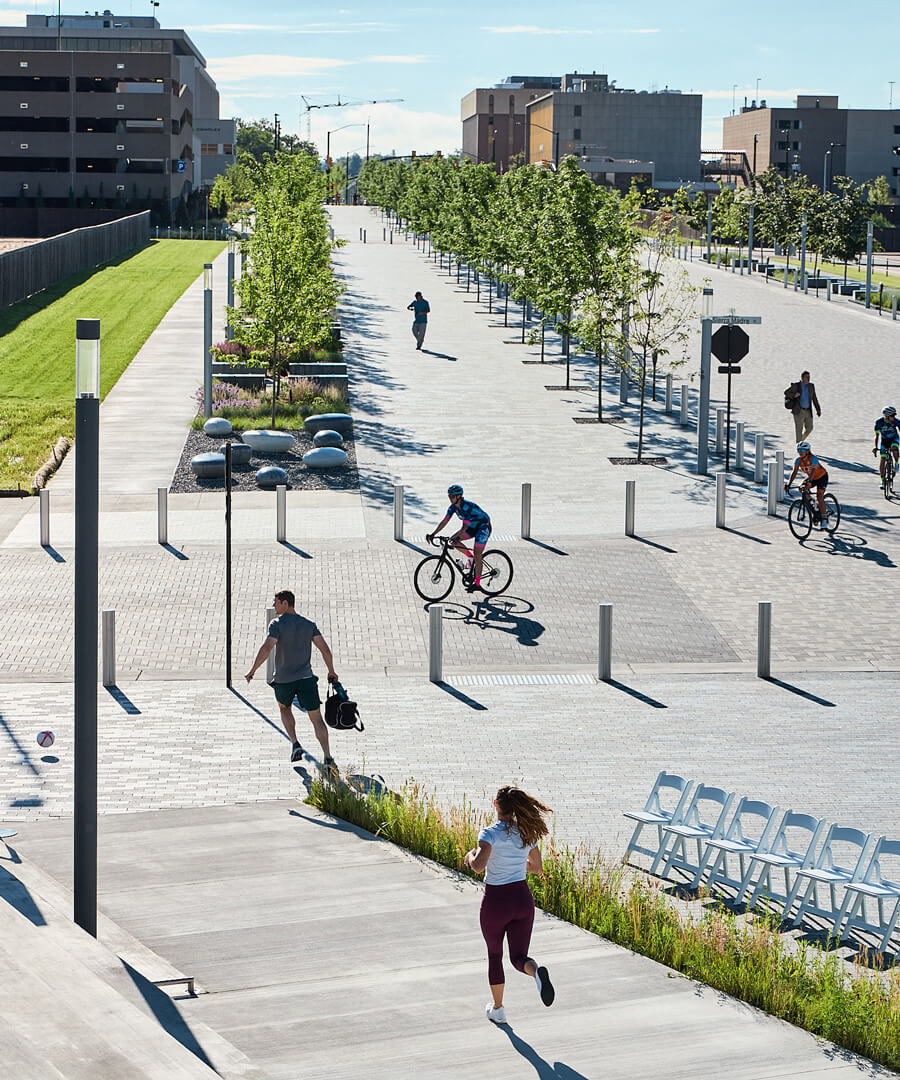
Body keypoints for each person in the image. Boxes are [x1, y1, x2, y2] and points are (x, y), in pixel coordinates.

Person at [464, 785, 555, 1025]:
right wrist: (516, 864)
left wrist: (470, 855)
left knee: (495, 956)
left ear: (496, 806)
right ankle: (537, 974)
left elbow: (478, 866)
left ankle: (498, 1009)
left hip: (496, 902)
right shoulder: (526, 833)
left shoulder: (489, 834)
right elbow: (537, 868)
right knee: (519, 957)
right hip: (522, 901)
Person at [245, 590, 339, 770]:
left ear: (285, 603)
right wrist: (331, 671)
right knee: (317, 718)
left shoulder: (277, 624)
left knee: (284, 709)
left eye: (276, 602)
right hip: (306, 678)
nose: (274, 605)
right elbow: (325, 649)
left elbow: (266, 648)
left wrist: (252, 670)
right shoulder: (309, 625)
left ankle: (295, 743)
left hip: (283, 680)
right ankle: (327, 756)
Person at [427, 484, 491, 593]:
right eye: (449, 496)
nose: (450, 498)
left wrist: (457, 537)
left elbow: (464, 528)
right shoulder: (452, 508)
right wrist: (433, 534)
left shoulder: (466, 507)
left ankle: (477, 584)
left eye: (452, 496)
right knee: (452, 541)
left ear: (459, 496)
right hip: (472, 526)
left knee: (478, 554)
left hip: (483, 527)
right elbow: (445, 521)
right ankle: (470, 557)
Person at [785, 441, 830, 526]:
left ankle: (824, 518)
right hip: (812, 478)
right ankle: (812, 502)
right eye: (798, 450)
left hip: (822, 477)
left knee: (819, 496)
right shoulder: (798, 460)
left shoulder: (813, 458)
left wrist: (808, 481)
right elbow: (794, 472)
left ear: (807, 451)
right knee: (801, 488)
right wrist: (788, 484)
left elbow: (813, 471)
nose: (800, 452)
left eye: (802, 450)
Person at [785, 371, 821, 443]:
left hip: (808, 411)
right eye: (807, 377)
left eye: (809, 377)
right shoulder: (796, 385)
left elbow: (814, 398)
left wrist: (818, 409)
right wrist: (794, 395)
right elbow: (786, 392)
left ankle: (801, 441)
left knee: (810, 428)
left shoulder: (811, 386)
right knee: (799, 429)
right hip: (798, 411)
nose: (808, 378)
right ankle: (799, 445)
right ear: (802, 378)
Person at [872, 406, 900, 488]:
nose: (894, 417)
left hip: (894, 439)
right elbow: (876, 436)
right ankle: (882, 480)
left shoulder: (896, 422)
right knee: (882, 459)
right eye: (893, 416)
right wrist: (875, 447)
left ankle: (897, 464)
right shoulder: (879, 422)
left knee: (894, 448)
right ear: (887, 416)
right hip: (884, 441)